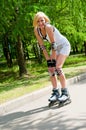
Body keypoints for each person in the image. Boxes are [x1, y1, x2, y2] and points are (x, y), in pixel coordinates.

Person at [33, 11, 71, 103]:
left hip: (63, 45)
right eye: (38, 21)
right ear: (35, 22)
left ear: (45, 20)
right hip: (55, 48)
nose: (40, 23)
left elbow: (53, 46)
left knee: (57, 67)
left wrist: (52, 61)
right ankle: (55, 92)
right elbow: (42, 46)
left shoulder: (49, 27)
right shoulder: (36, 30)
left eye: (42, 20)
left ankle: (65, 93)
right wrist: (48, 61)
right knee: (50, 69)